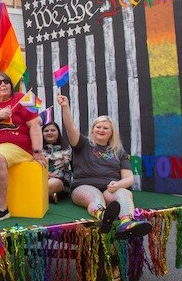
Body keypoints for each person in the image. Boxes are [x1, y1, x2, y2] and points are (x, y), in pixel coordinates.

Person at [57, 94, 151, 238]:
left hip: (109, 189)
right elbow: (70, 128)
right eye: (98, 127)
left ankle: (127, 224)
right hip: (84, 187)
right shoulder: (83, 144)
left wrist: (118, 184)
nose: (101, 130)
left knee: (124, 193)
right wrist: (65, 107)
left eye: (105, 128)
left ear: (111, 132)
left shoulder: (119, 151)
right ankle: (103, 217)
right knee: (95, 196)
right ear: (93, 129)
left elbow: (129, 178)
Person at [0, 71, 46, 221]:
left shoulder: (25, 98)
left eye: (6, 81)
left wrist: (38, 151)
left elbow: (35, 125)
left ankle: (2, 208)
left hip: (16, 145)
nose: (3, 85)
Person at [42, 121, 72, 204]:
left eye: (53, 130)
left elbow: (66, 168)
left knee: (53, 183)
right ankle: (49, 197)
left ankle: (44, 196)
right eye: (46, 131)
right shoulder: (36, 149)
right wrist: (45, 174)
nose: (49, 133)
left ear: (58, 132)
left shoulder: (66, 148)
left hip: (59, 182)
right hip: (40, 179)